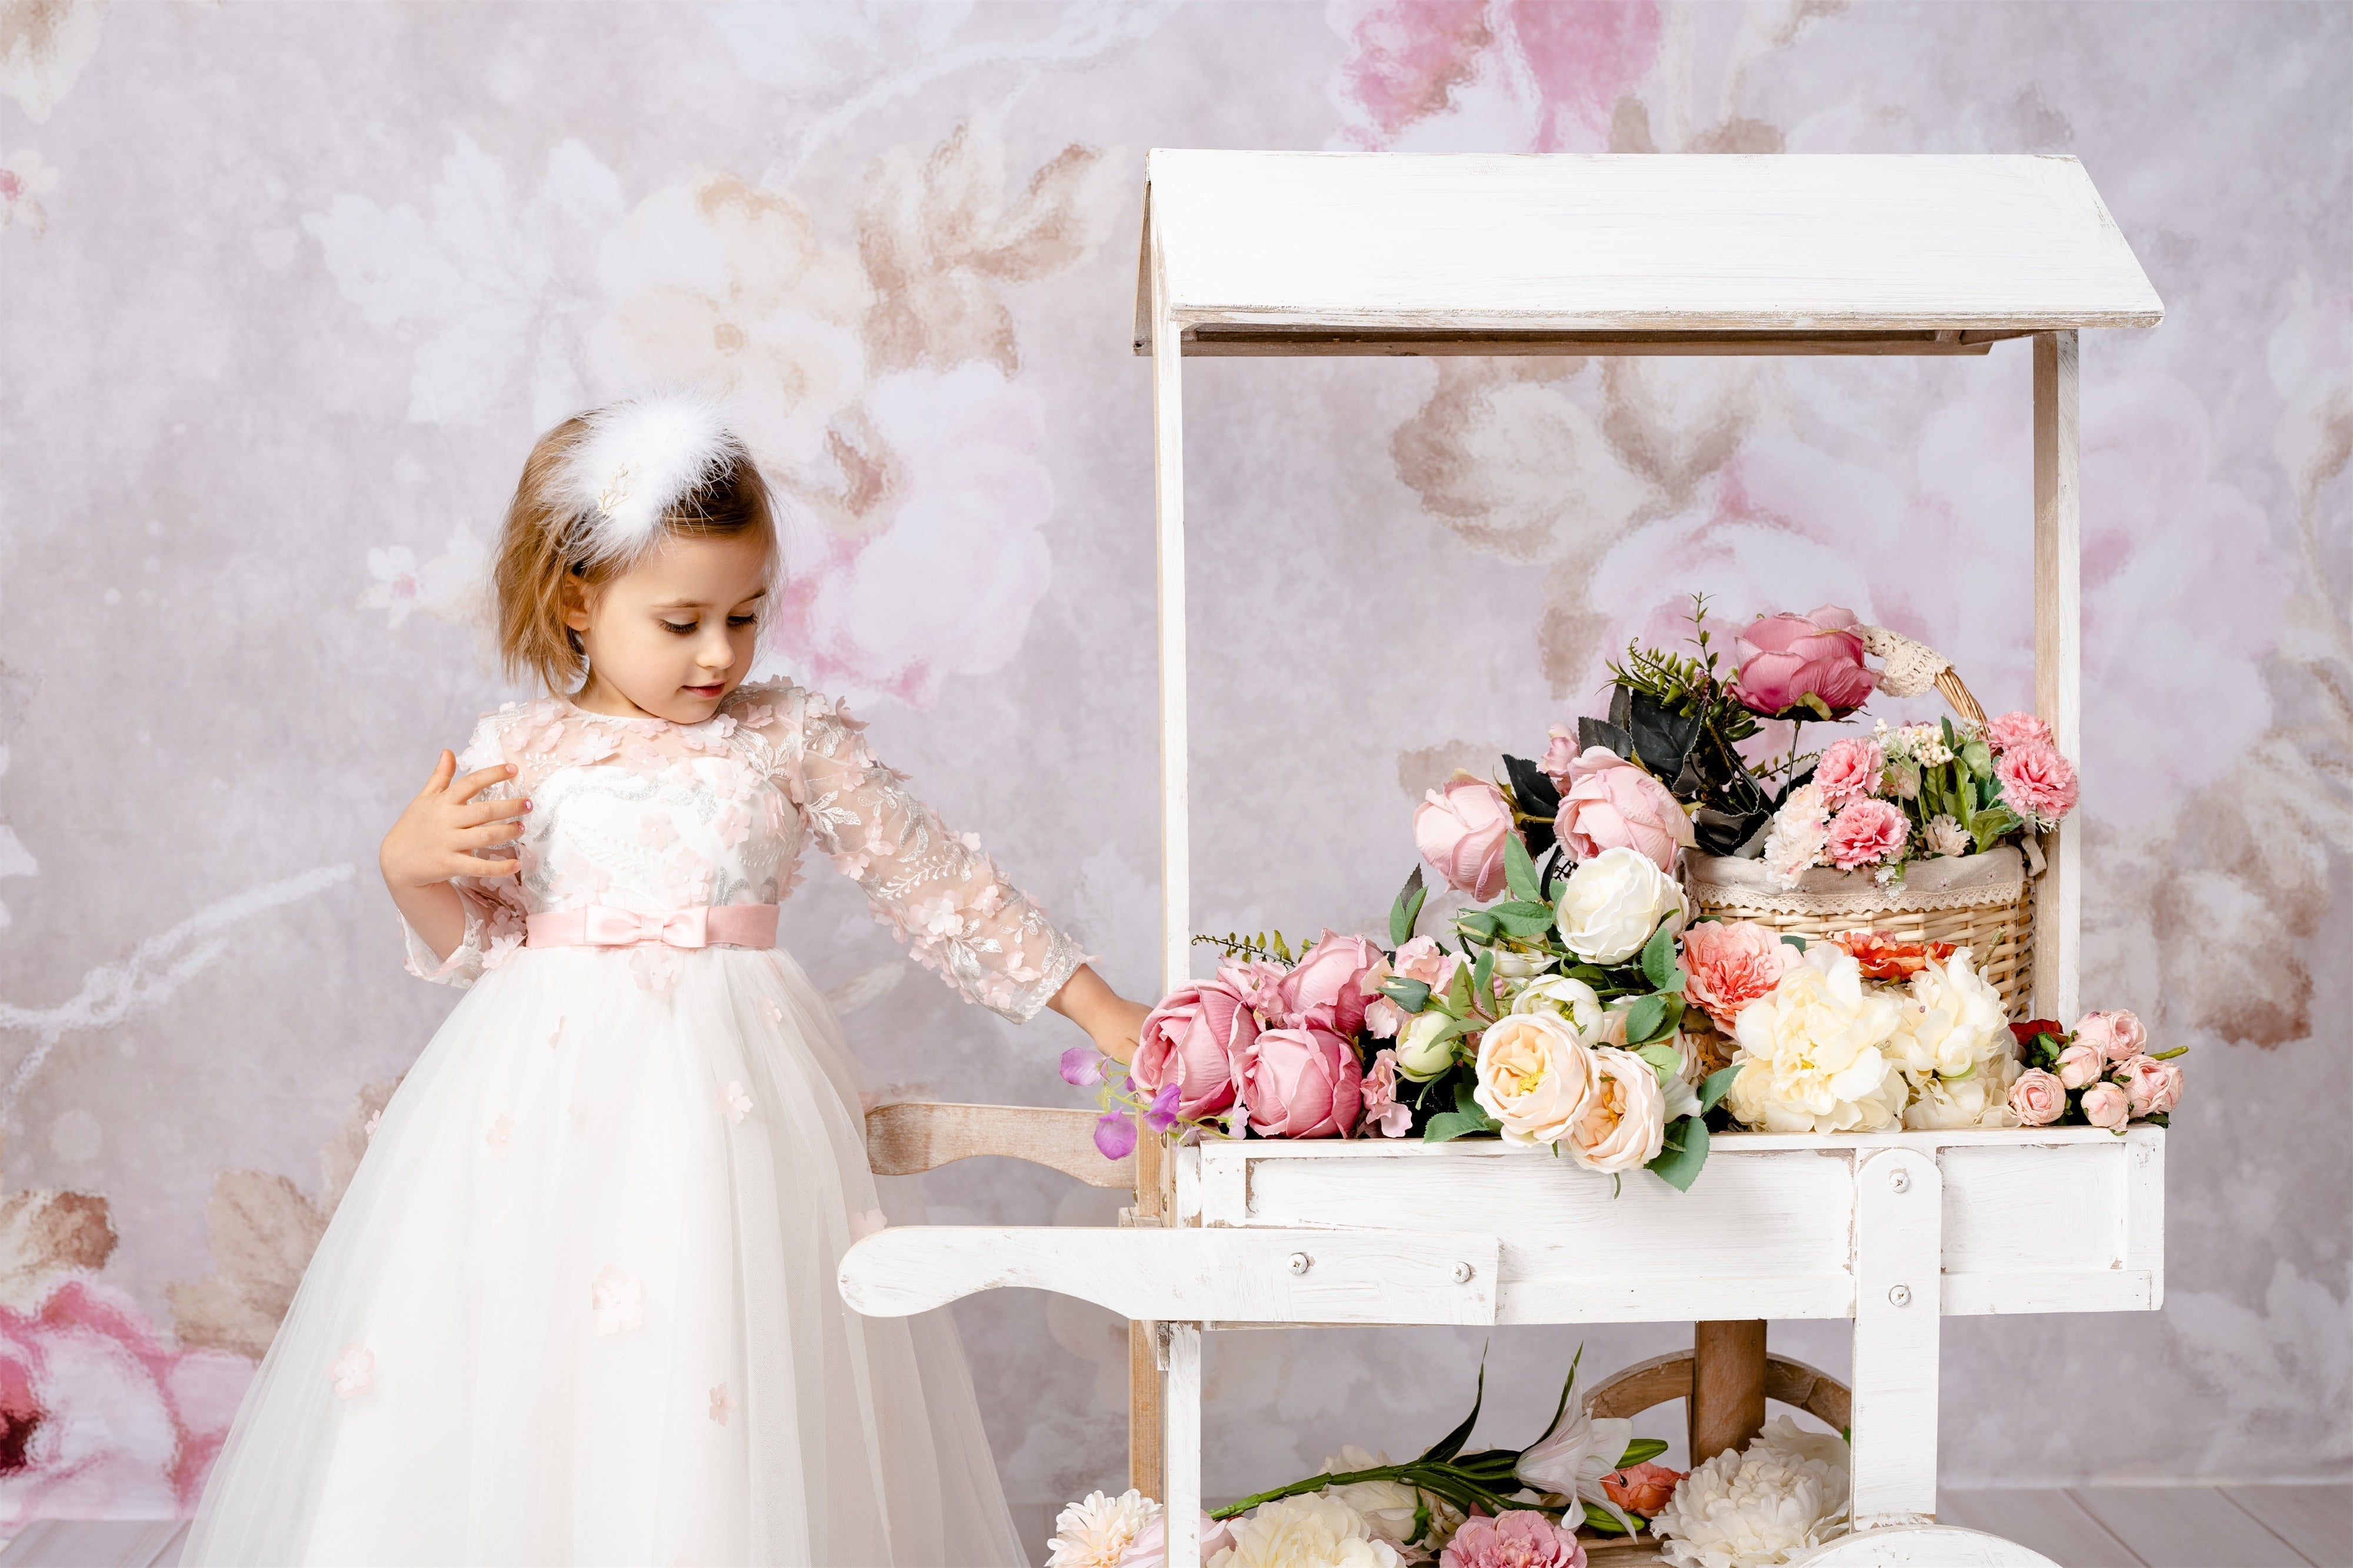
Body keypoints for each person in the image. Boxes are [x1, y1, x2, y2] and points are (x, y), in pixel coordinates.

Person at [182, 393, 1149, 1565]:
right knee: (529, 1363)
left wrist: (1104, 1012)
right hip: (534, 1110)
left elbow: (934, 882)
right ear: (578, 598)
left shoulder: (784, 735)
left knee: (709, 1358)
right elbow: (481, 945)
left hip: (727, 1105)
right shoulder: (517, 750)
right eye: (681, 619)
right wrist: (411, 871)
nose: (719, 654)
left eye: (745, 616)